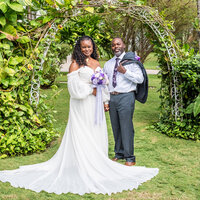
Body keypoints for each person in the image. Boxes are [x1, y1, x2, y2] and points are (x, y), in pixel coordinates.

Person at [0, 36, 158, 195]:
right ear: (79, 48)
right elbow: (73, 89)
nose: (87, 49)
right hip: (81, 104)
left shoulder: (96, 63)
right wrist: (91, 90)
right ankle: (82, 164)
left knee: (95, 131)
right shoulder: (75, 64)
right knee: (82, 132)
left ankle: (96, 161)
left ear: (93, 47)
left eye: (89, 46)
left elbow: (104, 84)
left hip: (95, 105)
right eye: (84, 47)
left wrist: (104, 99)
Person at [103, 37, 144, 166]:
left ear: (124, 45)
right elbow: (105, 83)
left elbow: (140, 79)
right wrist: (106, 100)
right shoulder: (108, 64)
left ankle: (130, 157)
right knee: (115, 127)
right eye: (113, 45)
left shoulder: (132, 62)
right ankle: (119, 153)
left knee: (126, 127)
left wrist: (125, 71)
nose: (116, 46)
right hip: (112, 97)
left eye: (118, 44)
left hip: (126, 97)